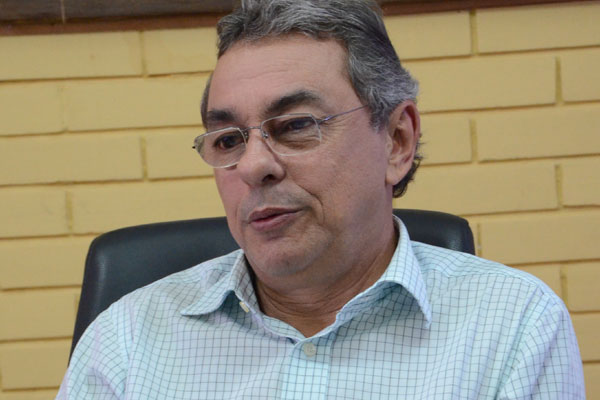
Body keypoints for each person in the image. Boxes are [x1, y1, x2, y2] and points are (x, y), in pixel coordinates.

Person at [57, 0, 585, 398]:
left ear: (396, 141)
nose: (253, 166)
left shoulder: (512, 325)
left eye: (295, 125)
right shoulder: (127, 342)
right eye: (229, 140)